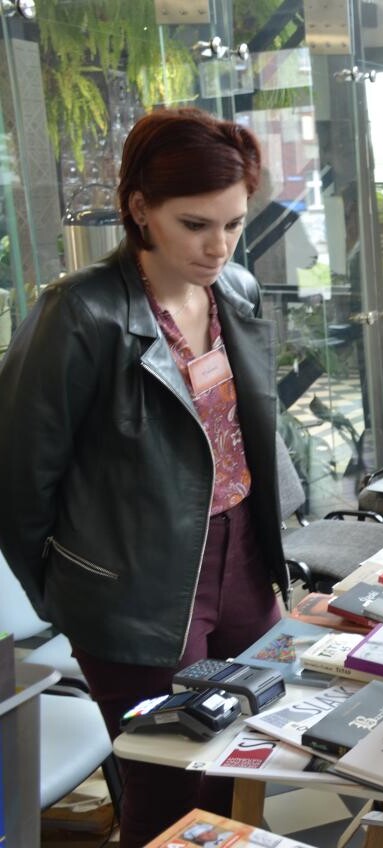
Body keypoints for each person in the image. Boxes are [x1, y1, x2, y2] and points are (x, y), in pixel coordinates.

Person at [0, 107, 288, 846]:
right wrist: (70, 593)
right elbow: (17, 474)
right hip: (136, 588)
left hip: (243, 569)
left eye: (232, 223)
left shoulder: (238, 292)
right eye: (196, 224)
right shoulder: (83, 312)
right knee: (171, 790)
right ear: (139, 209)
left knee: (244, 763)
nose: (218, 246)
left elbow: (248, 438)